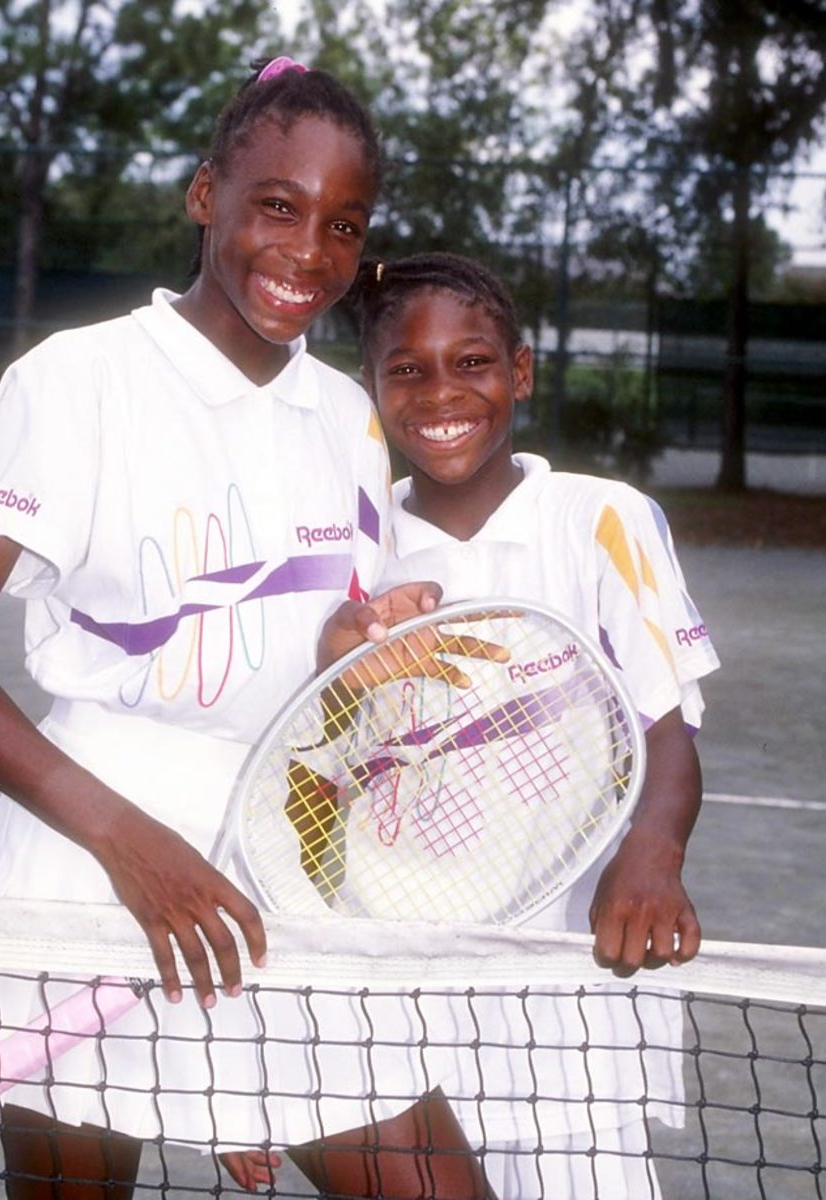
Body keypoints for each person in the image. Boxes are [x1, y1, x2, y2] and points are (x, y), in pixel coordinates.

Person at [0, 60, 488, 1200]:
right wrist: (130, 845)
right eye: (277, 205)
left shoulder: (349, 417)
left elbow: (315, 662)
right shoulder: (79, 380)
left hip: (281, 871)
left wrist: (358, 642)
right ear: (205, 194)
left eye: (343, 225)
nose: (309, 251)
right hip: (86, 869)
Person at [332, 250, 721, 1198]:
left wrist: (652, 856)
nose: (439, 393)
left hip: (566, 978)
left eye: (470, 362)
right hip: (398, 975)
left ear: (521, 369)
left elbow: (667, 730)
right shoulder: (353, 543)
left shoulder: (600, 519)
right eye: (405, 370)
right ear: (370, 389)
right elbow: (322, 765)